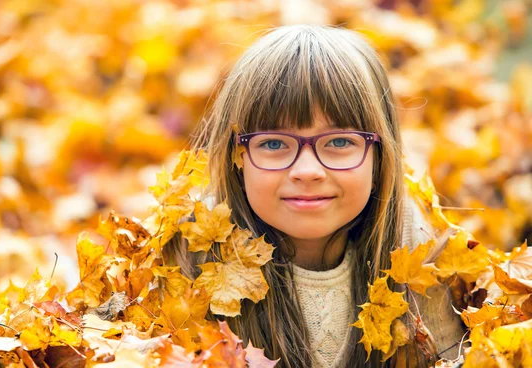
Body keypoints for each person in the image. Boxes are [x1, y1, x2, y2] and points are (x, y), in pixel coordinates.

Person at [164, 25, 465, 367]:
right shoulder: (189, 261)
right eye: (273, 143)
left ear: (379, 155)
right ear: (237, 158)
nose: (307, 170)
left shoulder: (413, 251)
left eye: (339, 142)